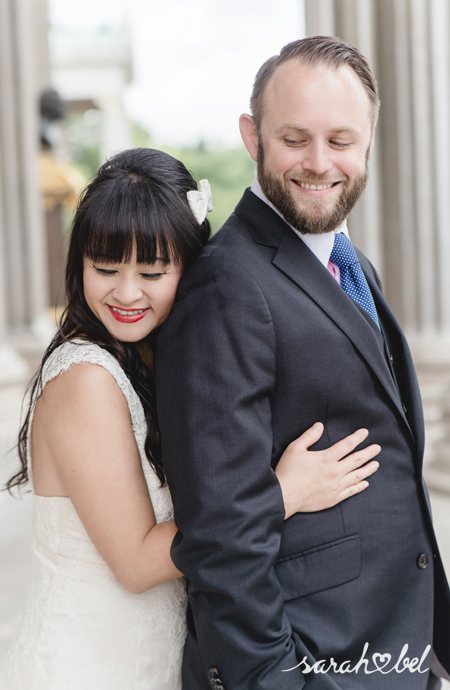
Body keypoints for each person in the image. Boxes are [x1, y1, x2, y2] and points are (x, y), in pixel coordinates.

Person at [2, 147, 380, 690]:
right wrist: (279, 495)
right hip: (86, 670)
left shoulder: (158, 362)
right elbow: (134, 563)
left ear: (191, 264)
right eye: (104, 268)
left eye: (152, 271)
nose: (126, 292)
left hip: (153, 665)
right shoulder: (85, 377)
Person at [155, 37, 450, 690]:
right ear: (252, 137)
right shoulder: (226, 285)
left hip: (391, 653)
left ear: (369, 140)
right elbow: (221, 537)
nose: (319, 163)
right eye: (295, 138)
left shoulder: (350, 264)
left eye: (341, 140)